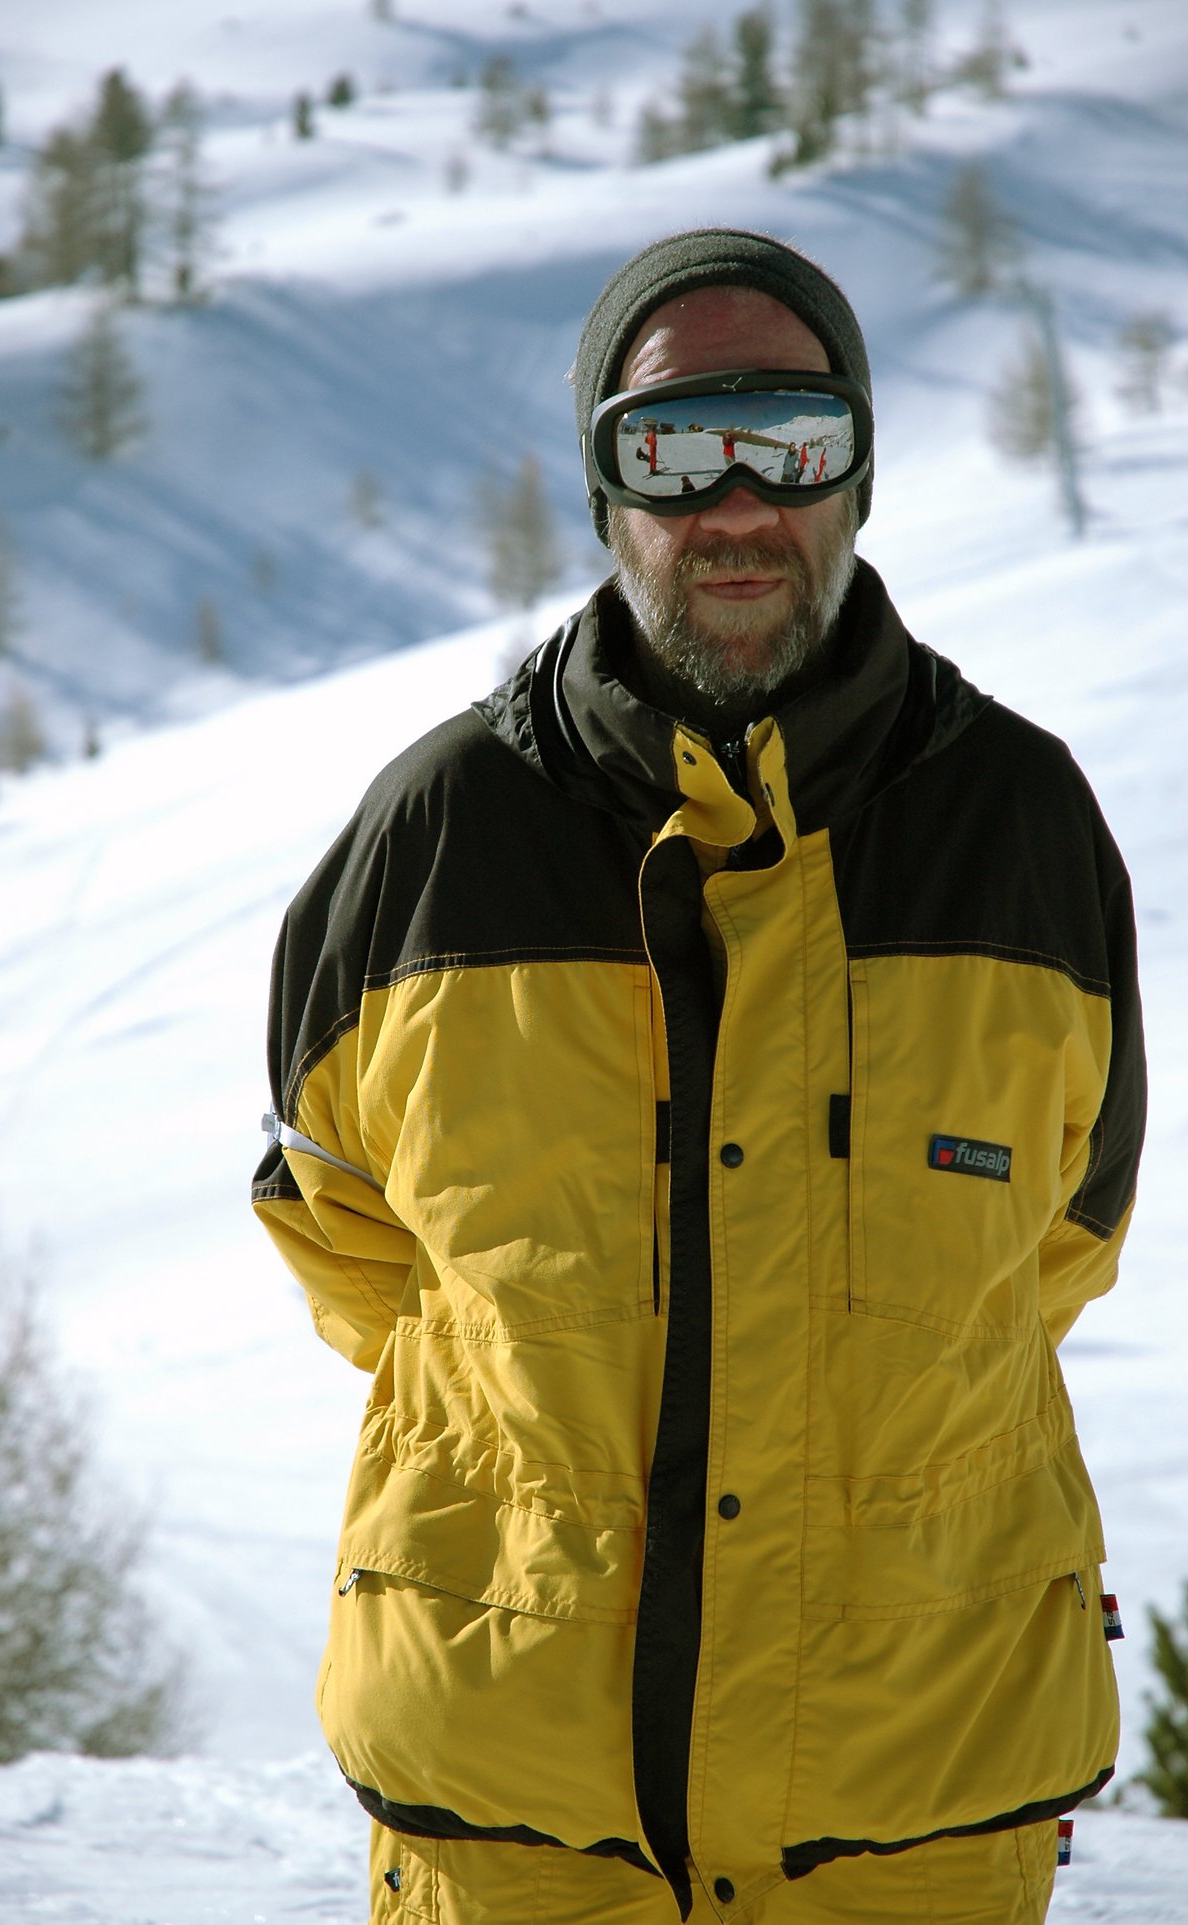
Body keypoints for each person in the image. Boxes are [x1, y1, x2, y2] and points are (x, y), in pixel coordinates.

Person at [252, 228, 1145, 1925]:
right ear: (607, 485)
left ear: (857, 471)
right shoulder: (441, 835)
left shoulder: (1018, 826)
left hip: (911, 1819)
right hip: (522, 1833)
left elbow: (1062, 1237)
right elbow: (339, 1223)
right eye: (672, 445)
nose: (737, 502)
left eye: (791, 438)